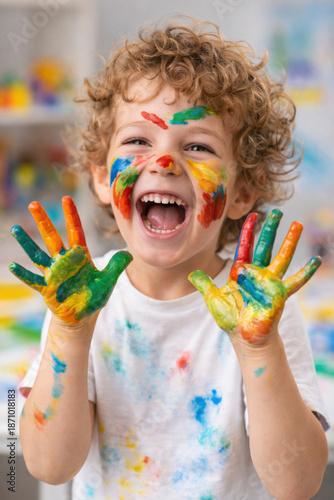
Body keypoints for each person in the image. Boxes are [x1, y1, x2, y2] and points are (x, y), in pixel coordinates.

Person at [10, 17, 329, 500]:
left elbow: (297, 484)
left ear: (242, 193)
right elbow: (48, 465)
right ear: (100, 176)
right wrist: (71, 334)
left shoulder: (258, 314)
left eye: (198, 146)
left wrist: (257, 350)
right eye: (138, 141)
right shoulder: (80, 301)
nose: (163, 162)